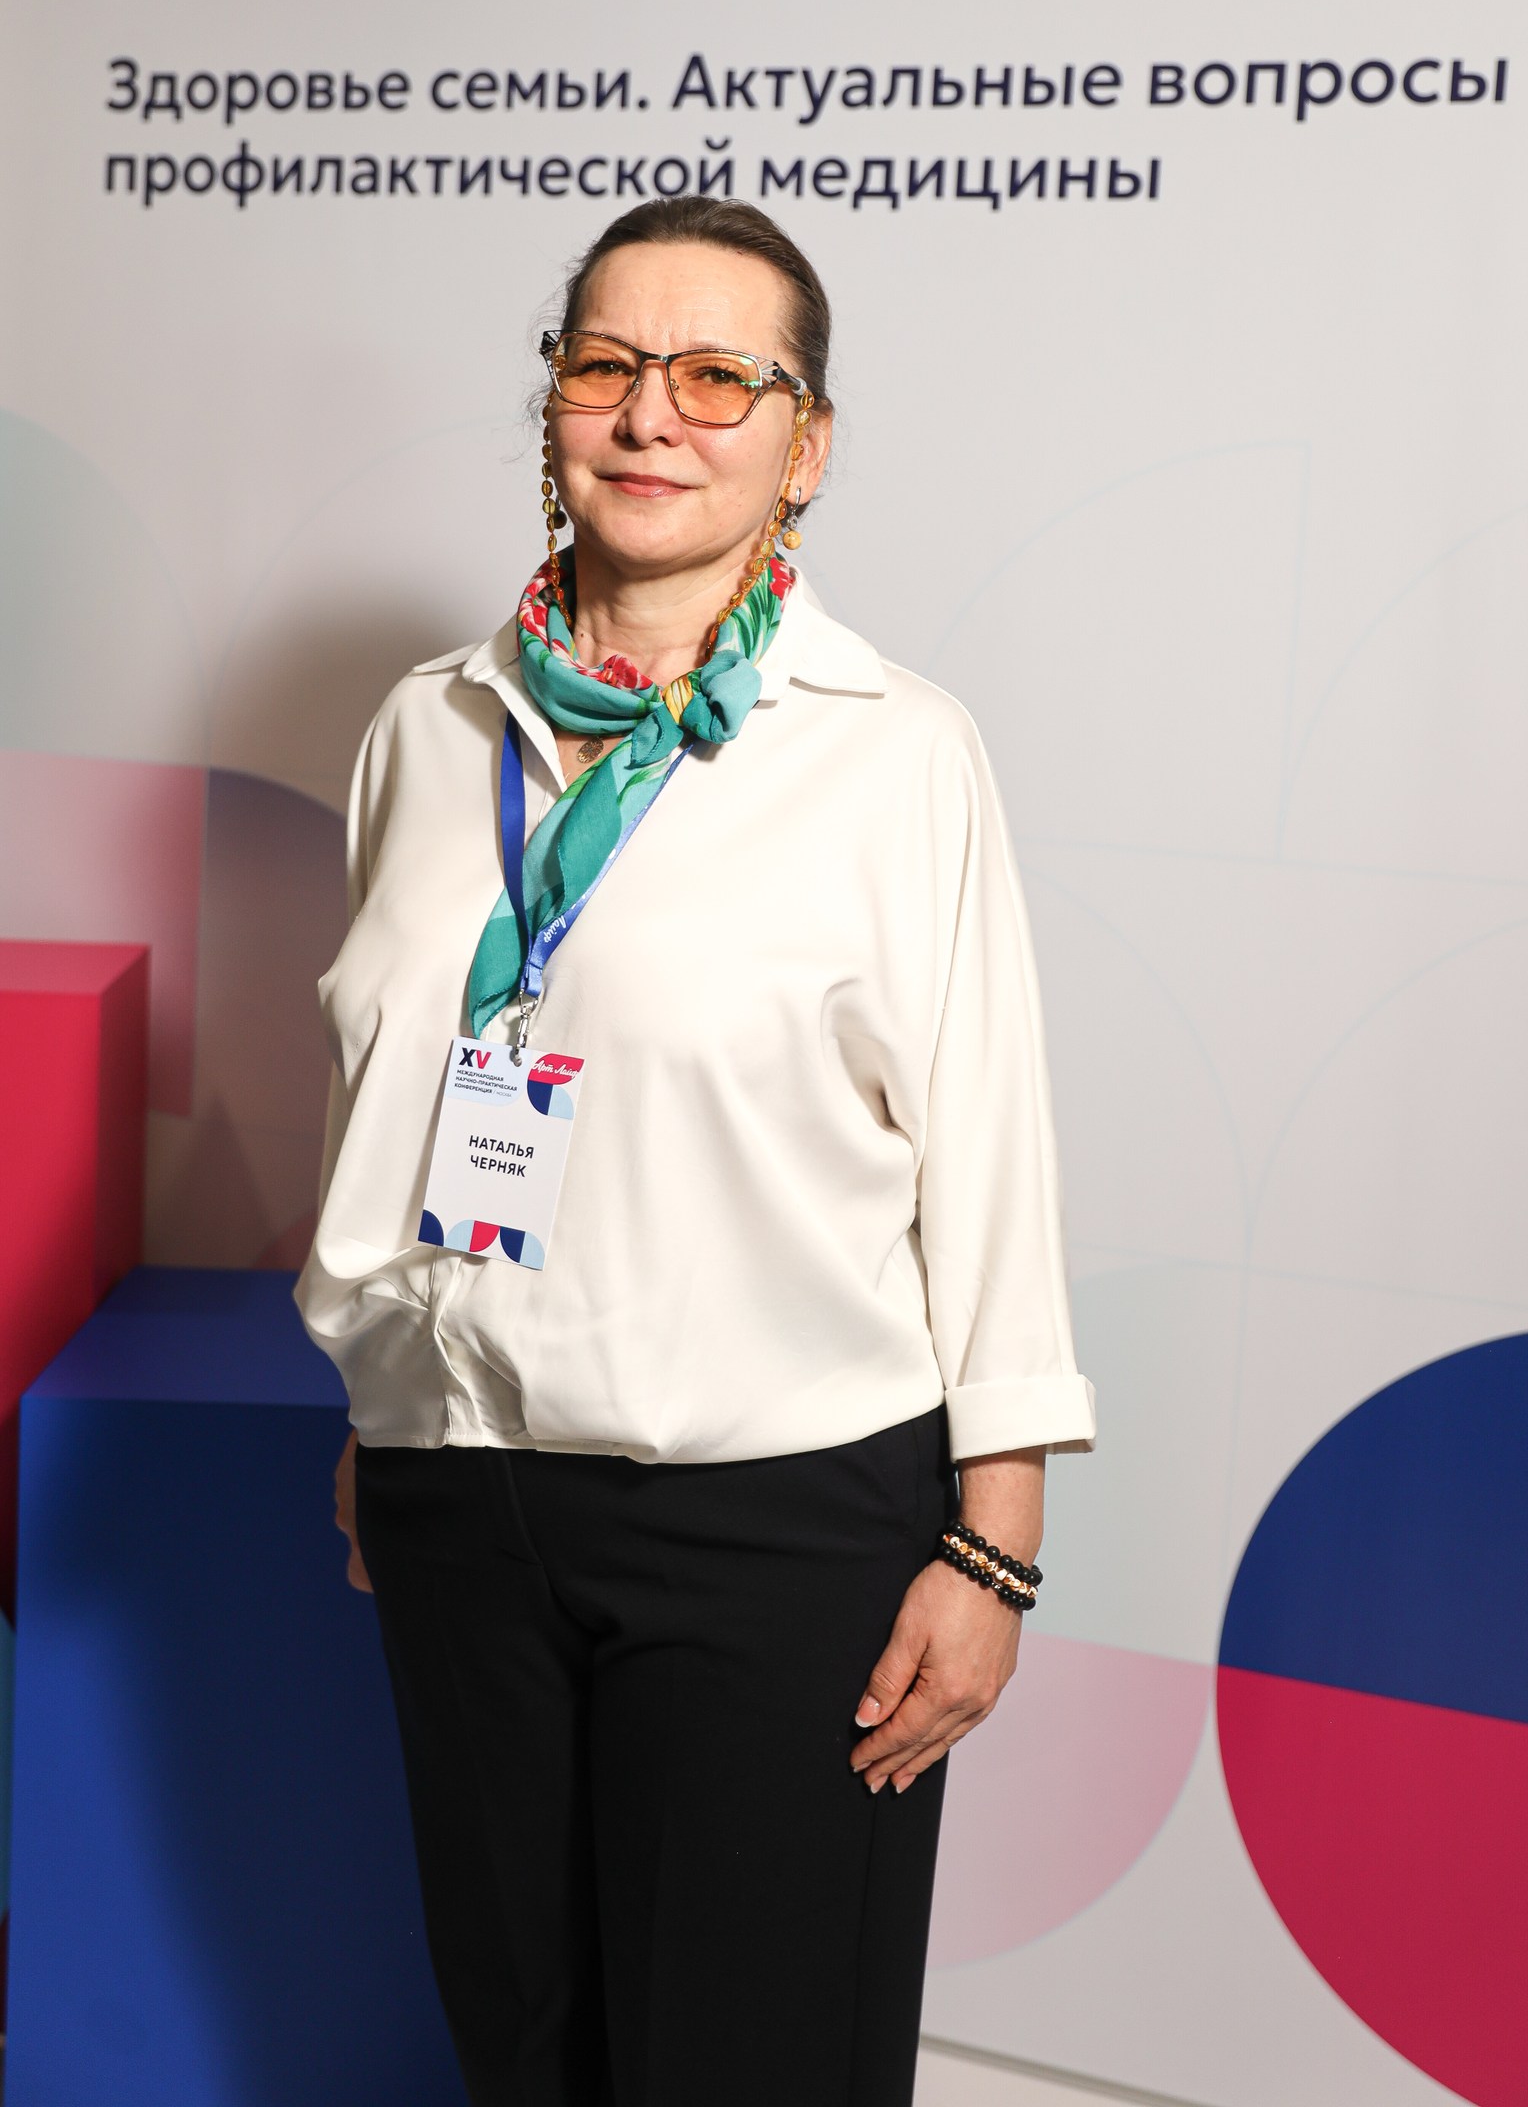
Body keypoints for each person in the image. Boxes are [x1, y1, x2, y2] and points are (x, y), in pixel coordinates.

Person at [295, 196, 1095, 2107]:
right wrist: (390, 1403)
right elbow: (391, 1092)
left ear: (803, 444)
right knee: (526, 2052)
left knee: (748, 2066)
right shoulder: (427, 730)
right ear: (554, 406)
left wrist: (993, 1544)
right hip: (459, 1503)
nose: (653, 413)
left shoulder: (893, 750)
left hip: (772, 1524)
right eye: (606, 363)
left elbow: (988, 1146)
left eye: (721, 376)